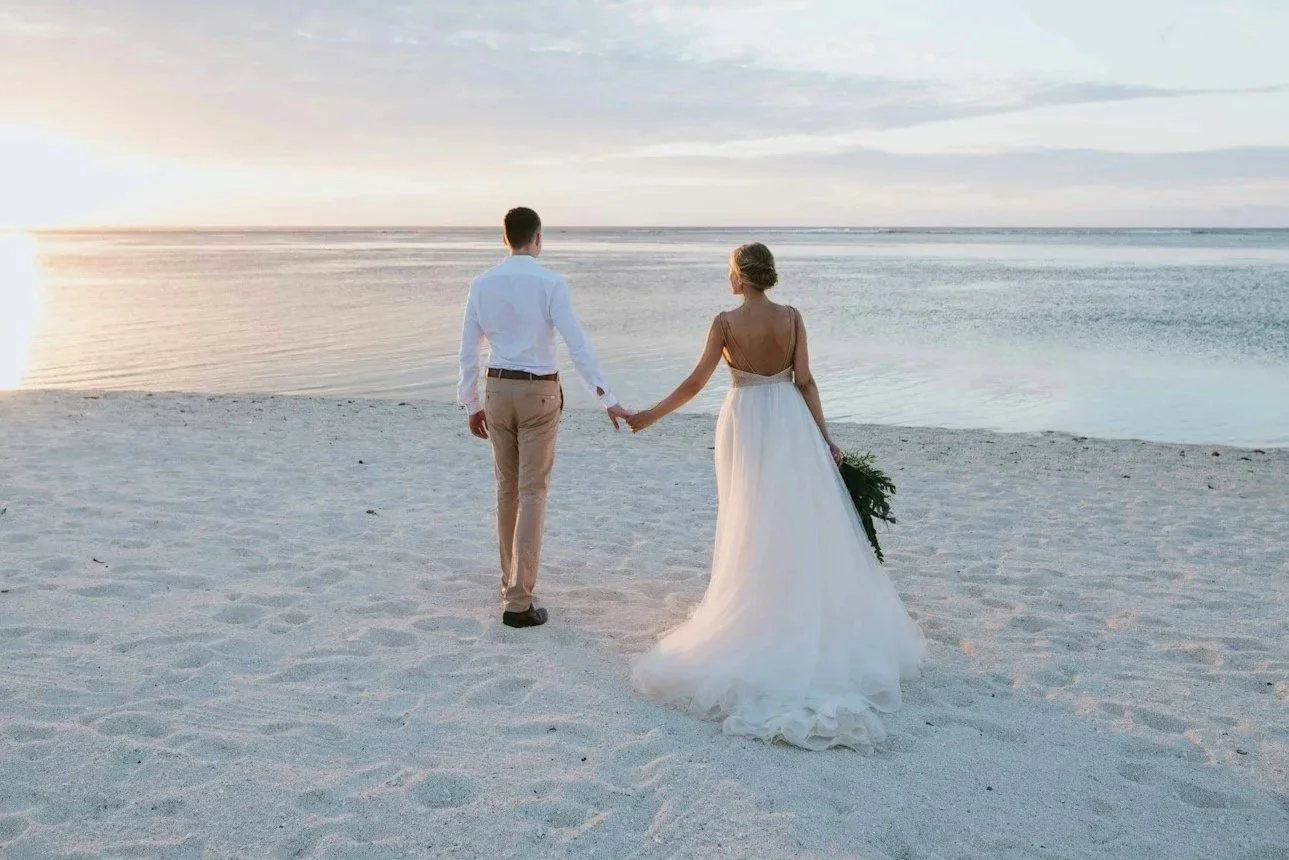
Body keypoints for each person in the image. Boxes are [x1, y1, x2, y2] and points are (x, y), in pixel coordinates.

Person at [626, 242, 926, 751]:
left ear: (739, 276)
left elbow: (699, 381)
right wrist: (825, 438)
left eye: (728, 270)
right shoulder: (791, 317)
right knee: (795, 516)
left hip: (745, 419)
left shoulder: (724, 322)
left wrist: (651, 415)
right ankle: (792, 599)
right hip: (789, 419)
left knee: (752, 516)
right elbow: (805, 381)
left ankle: (759, 600)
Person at [458, 207, 630, 628]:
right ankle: (519, 600)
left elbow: (467, 349)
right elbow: (576, 343)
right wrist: (606, 397)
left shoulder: (481, 284)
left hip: (497, 390)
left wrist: (470, 402)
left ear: (504, 239)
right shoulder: (551, 283)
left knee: (506, 489)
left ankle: (508, 583)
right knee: (533, 491)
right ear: (537, 239)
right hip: (538, 393)